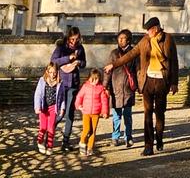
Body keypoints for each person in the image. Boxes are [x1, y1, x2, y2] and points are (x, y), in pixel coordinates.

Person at [105, 16, 179, 156]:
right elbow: (131, 54)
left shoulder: (168, 39)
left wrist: (174, 82)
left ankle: (159, 137)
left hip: (162, 80)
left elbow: (174, 61)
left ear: (156, 28)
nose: (147, 32)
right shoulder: (145, 40)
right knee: (147, 113)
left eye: (150, 30)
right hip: (147, 81)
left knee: (160, 113)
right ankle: (148, 146)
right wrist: (113, 65)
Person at [50, 25, 87, 152]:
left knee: (70, 114)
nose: (74, 42)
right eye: (72, 39)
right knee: (59, 112)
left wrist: (78, 62)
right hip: (61, 84)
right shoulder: (61, 48)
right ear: (68, 37)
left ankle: (65, 141)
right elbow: (53, 61)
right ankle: (49, 137)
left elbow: (84, 63)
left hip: (73, 84)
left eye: (76, 39)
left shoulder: (80, 48)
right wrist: (68, 58)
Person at [107, 28, 138, 147]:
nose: (120, 40)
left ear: (128, 40)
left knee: (128, 116)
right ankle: (115, 137)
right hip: (116, 88)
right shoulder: (114, 53)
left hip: (128, 89)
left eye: (123, 38)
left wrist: (139, 85)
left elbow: (138, 70)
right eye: (119, 38)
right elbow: (107, 71)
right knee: (116, 116)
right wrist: (106, 86)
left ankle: (128, 136)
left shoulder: (134, 54)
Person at [74, 68, 111, 155]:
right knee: (86, 129)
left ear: (99, 78)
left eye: (96, 78)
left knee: (93, 131)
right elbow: (79, 96)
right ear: (89, 78)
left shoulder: (101, 88)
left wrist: (105, 112)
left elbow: (104, 101)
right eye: (92, 78)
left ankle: (90, 148)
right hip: (86, 112)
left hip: (96, 113)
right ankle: (82, 143)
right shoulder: (85, 86)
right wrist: (78, 105)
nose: (94, 81)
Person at [32, 62, 59, 155]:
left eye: (54, 72)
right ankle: (40, 141)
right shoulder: (42, 80)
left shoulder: (59, 82)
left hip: (53, 107)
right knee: (43, 127)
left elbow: (62, 97)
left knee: (51, 128)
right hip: (44, 108)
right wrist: (37, 107)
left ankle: (50, 146)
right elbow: (38, 94)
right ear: (47, 71)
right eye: (50, 72)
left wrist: (62, 108)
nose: (52, 74)